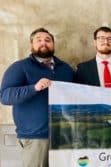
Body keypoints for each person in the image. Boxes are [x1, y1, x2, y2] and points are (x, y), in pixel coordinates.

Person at [0, 28, 74, 167]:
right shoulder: (19, 67)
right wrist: (34, 88)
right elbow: (5, 97)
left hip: (64, 136)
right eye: (38, 40)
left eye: (48, 40)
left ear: (53, 44)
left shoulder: (66, 69)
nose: (43, 43)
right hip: (36, 138)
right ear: (31, 45)